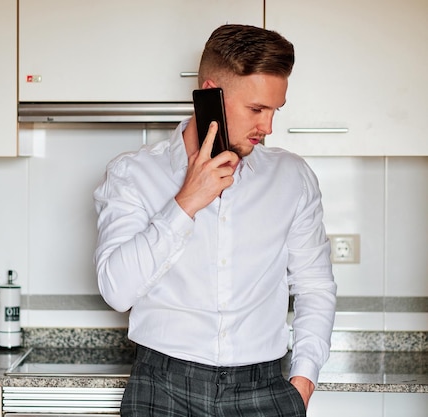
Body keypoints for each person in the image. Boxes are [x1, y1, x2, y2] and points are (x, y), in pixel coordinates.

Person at [93, 24, 337, 417]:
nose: (268, 127)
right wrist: (187, 201)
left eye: (275, 110)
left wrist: (304, 379)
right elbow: (117, 291)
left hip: (265, 389)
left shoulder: (293, 177)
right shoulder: (131, 175)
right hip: (161, 388)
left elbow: (315, 286)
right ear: (210, 93)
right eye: (256, 109)